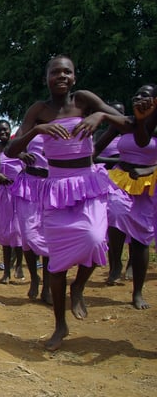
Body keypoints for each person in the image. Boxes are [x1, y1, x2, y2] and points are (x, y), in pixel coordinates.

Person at [5, 54, 126, 351]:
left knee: (96, 239)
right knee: (56, 263)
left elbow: (126, 123)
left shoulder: (84, 99)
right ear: (46, 77)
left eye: (67, 72)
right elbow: (10, 149)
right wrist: (36, 130)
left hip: (87, 184)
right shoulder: (39, 110)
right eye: (55, 72)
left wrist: (102, 116)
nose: (61, 76)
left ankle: (79, 287)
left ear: (74, 76)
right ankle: (59, 325)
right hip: (55, 187)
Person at [95, 84, 157, 309]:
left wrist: (149, 170)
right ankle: (115, 266)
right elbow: (96, 149)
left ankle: (138, 292)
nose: (139, 97)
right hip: (120, 178)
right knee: (114, 212)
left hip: (148, 185)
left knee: (141, 239)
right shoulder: (126, 122)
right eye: (137, 94)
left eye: (146, 95)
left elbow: (144, 141)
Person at [11, 132, 52, 304]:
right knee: (28, 236)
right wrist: (20, 154)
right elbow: (10, 149)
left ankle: (47, 287)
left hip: (51, 185)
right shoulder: (30, 126)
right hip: (28, 185)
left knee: (49, 237)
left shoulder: (63, 124)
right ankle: (34, 277)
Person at [0, 119, 24, 283]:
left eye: (5, 130)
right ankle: (7, 272)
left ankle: (19, 265)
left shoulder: (17, 146)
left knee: (18, 230)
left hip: (18, 192)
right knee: (5, 233)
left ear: (10, 130)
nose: (2, 133)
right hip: (3, 194)